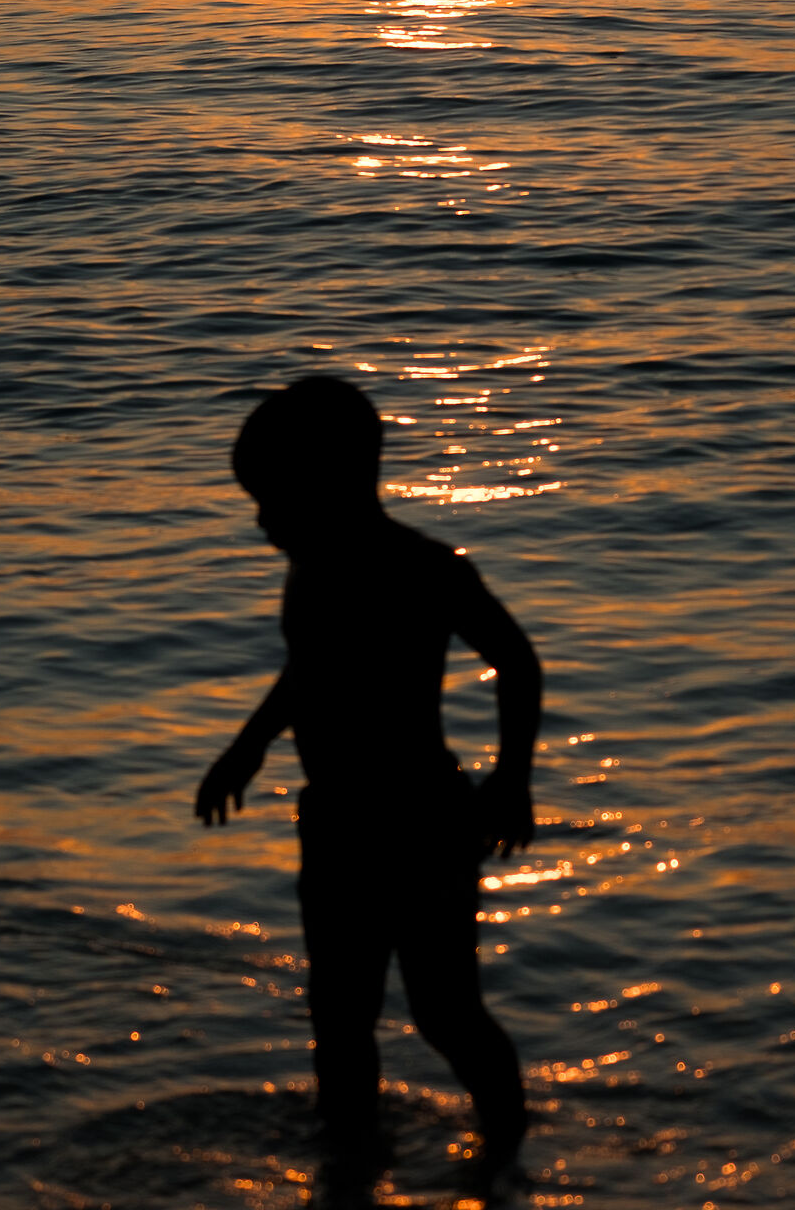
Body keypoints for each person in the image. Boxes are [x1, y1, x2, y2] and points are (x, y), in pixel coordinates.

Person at [196, 373, 540, 1181]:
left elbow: (516, 662)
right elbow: (309, 670)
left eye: (272, 499)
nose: (261, 521)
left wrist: (511, 779)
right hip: (338, 821)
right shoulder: (314, 573)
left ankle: (506, 1155)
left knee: (445, 1011)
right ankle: (349, 1162)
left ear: (330, 485)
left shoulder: (424, 568)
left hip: (423, 819)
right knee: (339, 1013)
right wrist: (248, 747)